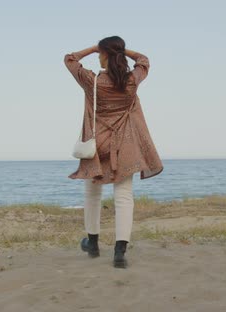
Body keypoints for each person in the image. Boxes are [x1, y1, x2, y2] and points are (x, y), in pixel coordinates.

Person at [64, 36, 164, 268]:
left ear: (105, 54)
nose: (98, 56)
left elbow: (70, 59)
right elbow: (144, 60)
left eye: (100, 53)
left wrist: (91, 48)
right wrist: (121, 51)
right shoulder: (131, 80)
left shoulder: (93, 81)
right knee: (124, 196)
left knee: (92, 193)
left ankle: (93, 244)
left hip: (97, 144)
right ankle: (120, 252)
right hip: (126, 143)